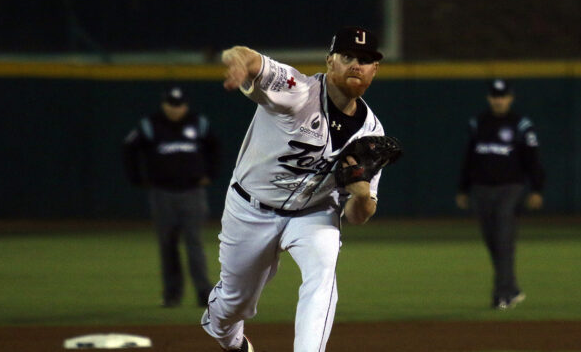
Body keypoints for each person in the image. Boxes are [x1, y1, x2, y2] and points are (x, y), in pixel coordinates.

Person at [201, 26, 387, 352]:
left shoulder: (372, 133)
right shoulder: (296, 90)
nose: (357, 64)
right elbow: (248, 57)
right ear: (330, 61)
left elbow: (358, 216)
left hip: (314, 211)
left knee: (322, 274)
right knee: (234, 304)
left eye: (365, 59)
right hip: (251, 208)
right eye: (348, 57)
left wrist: (361, 195)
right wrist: (237, 61)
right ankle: (226, 335)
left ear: (375, 69)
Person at [122, 86, 219, 308]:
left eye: (179, 105)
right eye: (171, 105)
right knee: (168, 245)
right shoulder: (150, 125)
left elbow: (215, 147)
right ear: (163, 104)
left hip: (192, 192)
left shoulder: (199, 123)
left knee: (194, 243)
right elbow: (128, 148)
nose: (175, 109)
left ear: (186, 104)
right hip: (162, 193)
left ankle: (204, 292)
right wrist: (136, 177)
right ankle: (172, 294)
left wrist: (210, 174)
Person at [455, 79, 545, 310]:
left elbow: (532, 159)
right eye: (495, 96)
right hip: (481, 189)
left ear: (510, 98)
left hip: (510, 189)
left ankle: (502, 294)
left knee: (504, 240)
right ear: (489, 98)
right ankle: (512, 288)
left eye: (502, 96)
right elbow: (469, 158)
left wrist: (537, 188)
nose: (499, 100)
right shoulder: (478, 123)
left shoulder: (521, 124)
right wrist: (463, 188)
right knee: (492, 241)